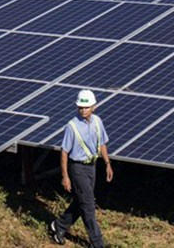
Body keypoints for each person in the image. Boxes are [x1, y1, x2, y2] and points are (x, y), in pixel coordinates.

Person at [49, 89, 112, 247]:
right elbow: (64, 152)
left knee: (81, 201)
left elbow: (102, 143)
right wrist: (65, 176)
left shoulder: (98, 121)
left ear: (94, 107)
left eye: (86, 107)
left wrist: (107, 163)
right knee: (89, 206)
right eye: (80, 107)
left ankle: (59, 226)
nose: (83, 110)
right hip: (77, 168)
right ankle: (97, 243)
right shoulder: (72, 126)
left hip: (92, 166)